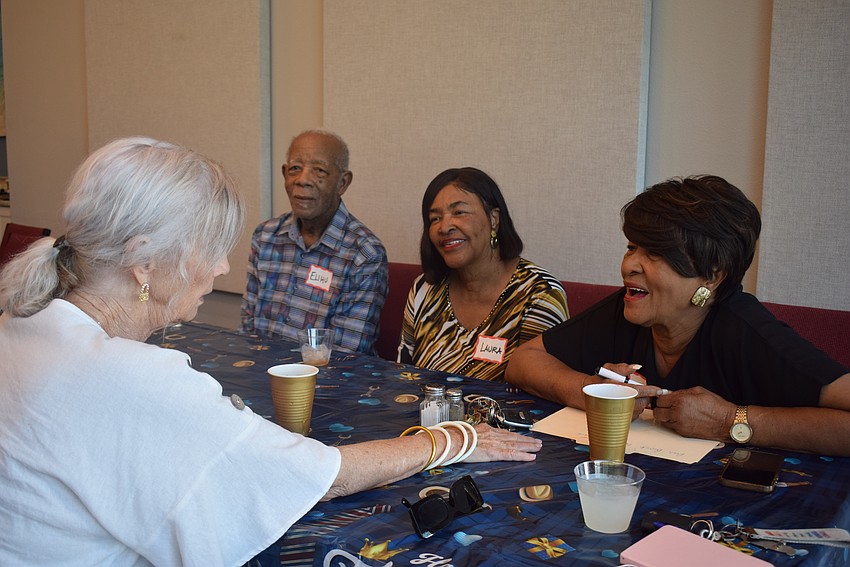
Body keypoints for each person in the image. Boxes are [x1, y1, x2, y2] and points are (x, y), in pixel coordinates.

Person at [0, 138, 542, 566]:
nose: (222, 269)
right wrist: (451, 438)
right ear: (143, 261)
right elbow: (319, 476)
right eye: (209, 249)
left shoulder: (19, 324)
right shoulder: (133, 376)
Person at [505, 175, 850, 456]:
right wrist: (589, 390)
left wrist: (730, 421)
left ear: (712, 274)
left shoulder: (746, 331)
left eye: (654, 252)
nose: (628, 265)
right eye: (631, 247)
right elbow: (524, 361)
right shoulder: (627, 309)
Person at [399, 167, 568, 381]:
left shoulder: (540, 294)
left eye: (459, 212)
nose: (444, 227)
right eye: (434, 218)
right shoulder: (424, 289)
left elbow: (542, 387)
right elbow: (403, 376)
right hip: (425, 413)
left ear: (494, 219)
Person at [241, 129, 388, 355]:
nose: (303, 180)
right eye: (295, 169)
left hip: (326, 383)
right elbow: (248, 327)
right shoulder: (265, 236)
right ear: (284, 174)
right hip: (262, 376)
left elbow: (345, 354)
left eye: (319, 170)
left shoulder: (364, 254)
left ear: (342, 182)